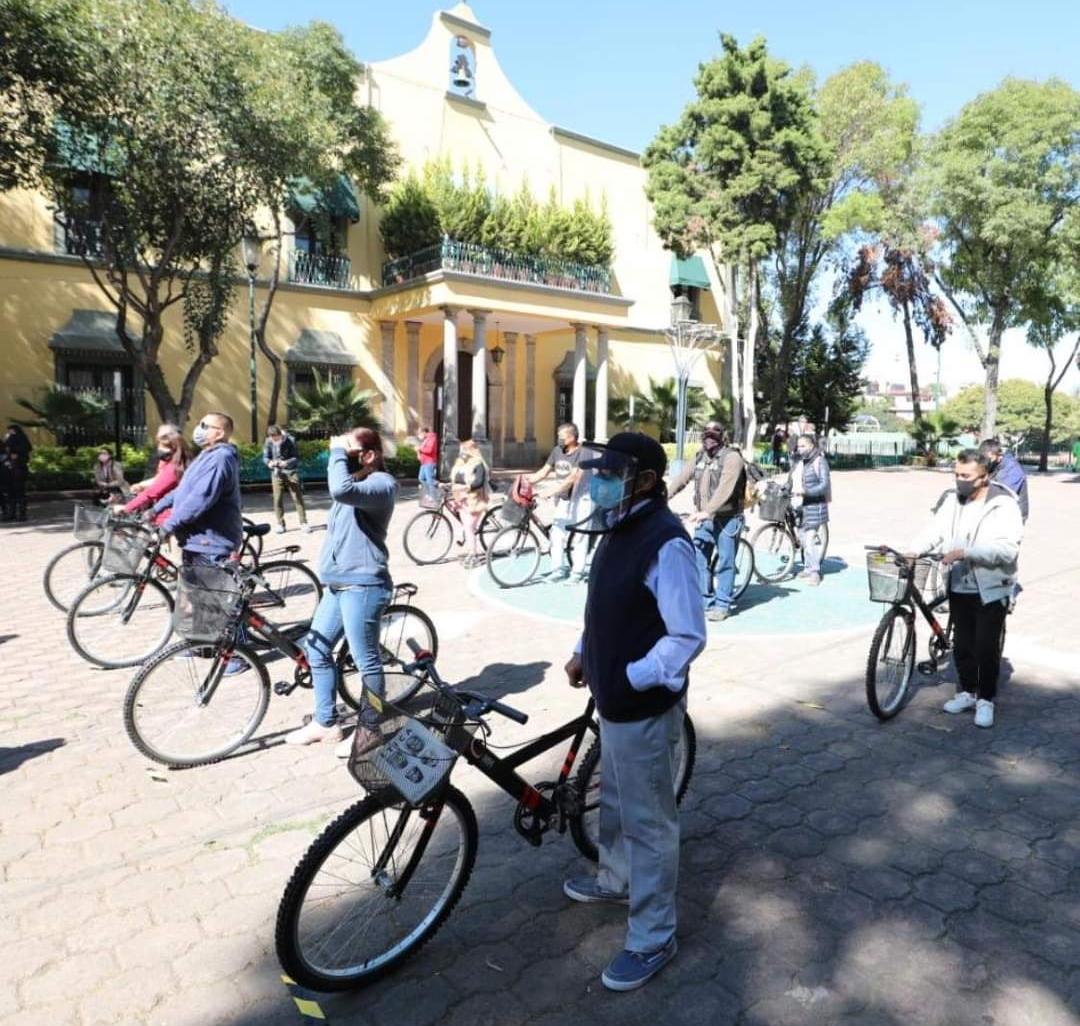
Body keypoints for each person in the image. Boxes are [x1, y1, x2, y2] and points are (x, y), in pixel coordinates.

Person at [563, 432, 706, 992]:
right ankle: (616, 877)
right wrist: (583, 652)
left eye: (610, 472)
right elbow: (604, 604)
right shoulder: (618, 524)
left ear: (645, 480)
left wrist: (629, 676)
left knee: (649, 822)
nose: (597, 481)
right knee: (618, 800)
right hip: (613, 699)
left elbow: (687, 635)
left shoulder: (666, 542)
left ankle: (653, 935)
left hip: (641, 705)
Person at [286, 427, 397, 753]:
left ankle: (371, 729)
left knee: (367, 662)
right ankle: (325, 723)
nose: (338, 460)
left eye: (347, 454)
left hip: (363, 585)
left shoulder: (381, 484)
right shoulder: (354, 485)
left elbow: (339, 490)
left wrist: (337, 451)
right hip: (336, 585)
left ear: (369, 456)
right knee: (317, 649)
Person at [910, 449, 1022, 729]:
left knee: (985, 646)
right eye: (957, 474)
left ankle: (985, 699)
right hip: (959, 584)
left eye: (966, 476)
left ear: (984, 477)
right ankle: (967, 692)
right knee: (962, 645)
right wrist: (913, 550)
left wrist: (967, 552)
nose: (960, 480)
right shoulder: (952, 500)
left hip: (991, 587)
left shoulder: (1004, 504)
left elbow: (1007, 549)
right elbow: (935, 530)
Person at [668, 422, 745, 621]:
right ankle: (705, 600)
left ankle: (722, 605)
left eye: (714, 435)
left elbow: (725, 489)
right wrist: (661, 497)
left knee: (726, 562)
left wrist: (707, 511)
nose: (709, 439)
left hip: (727, 519)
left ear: (722, 437)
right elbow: (681, 479)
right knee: (699, 557)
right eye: (706, 434)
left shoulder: (732, 458)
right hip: (704, 518)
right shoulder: (700, 456)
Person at [528, 423, 592, 583]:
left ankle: (577, 572)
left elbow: (573, 477)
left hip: (582, 499)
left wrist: (550, 492)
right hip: (563, 499)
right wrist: (526, 481)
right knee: (556, 533)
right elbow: (544, 471)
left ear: (572, 437)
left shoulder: (584, 452)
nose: (559, 439)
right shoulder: (557, 451)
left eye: (562, 437)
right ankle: (558, 570)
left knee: (580, 536)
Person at [116, 424, 191, 526]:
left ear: (172, 446)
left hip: (169, 517)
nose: (159, 448)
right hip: (165, 513)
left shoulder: (174, 467)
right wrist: (141, 485)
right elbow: (159, 479)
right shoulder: (169, 461)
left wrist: (126, 508)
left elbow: (152, 492)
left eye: (161, 445)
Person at [790, 433, 831, 586]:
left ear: (811, 445)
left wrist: (806, 492)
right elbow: (793, 480)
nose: (800, 449)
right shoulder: (800, 462)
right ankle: (807, 567)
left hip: (815, 506)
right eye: (798, 446)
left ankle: (815, 572)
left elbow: (824, 485)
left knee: (808, 540)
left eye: (803, 446)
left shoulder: (820, 461)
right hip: (801, 506)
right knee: (802, 538)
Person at [449, 437, 490, 567]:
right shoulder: (460, 463)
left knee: (468, 527)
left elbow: (478, 482)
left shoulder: (478, 464)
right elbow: (456, 478)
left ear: (471, 451)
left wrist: (466, 487)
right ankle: (469, 550)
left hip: (475, 500)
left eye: (465, 450)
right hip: (461, 499)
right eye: (462, 450)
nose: (462, 453)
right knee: (467, 527)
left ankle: (474, 554)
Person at [263, 425, 310, 534]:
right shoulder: (268, 441)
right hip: (276, 472)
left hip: (291, 472)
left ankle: (303, 522)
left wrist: (287, 463)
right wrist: (269, 463)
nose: (275, 440)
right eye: (272, 438)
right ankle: (280, 524)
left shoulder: (290, 440)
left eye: (276, 438)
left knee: (297, 497)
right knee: (277, 498)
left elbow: (296, 457)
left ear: (280, 434)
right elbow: (265, 457)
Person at [979, 438, 1028, 523]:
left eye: (989, 459)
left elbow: (1002, 494)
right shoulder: (991, 465)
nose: (986, 462)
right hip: (994, 515)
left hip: (1010, 518)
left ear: (997, 455)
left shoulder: (1012, 469)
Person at [3, 426, 31, 522]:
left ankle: (17, 514)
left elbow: (10, 450)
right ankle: (16, 514)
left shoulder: (16, 441)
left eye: (11, 431)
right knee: (15, 493)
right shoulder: (21, 441)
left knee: (16, 493)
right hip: (16, 470)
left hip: (16, 470)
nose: (9, 433)